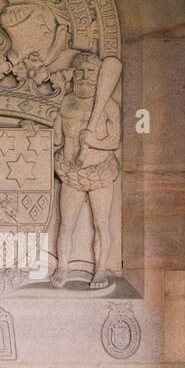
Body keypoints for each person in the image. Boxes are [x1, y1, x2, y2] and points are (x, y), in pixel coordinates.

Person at [51, 51, 121, 289]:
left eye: (91, 71)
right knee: (66, 224)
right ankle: (63, 267)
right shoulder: (65, 102)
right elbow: (56, 138)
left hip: (100, 171)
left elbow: (114, 141)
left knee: (101, 223)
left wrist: (94, 142)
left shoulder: (109, 105)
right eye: (80, 71)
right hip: (71, 171)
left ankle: (100, 270)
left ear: (99, 74)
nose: (85, 76)